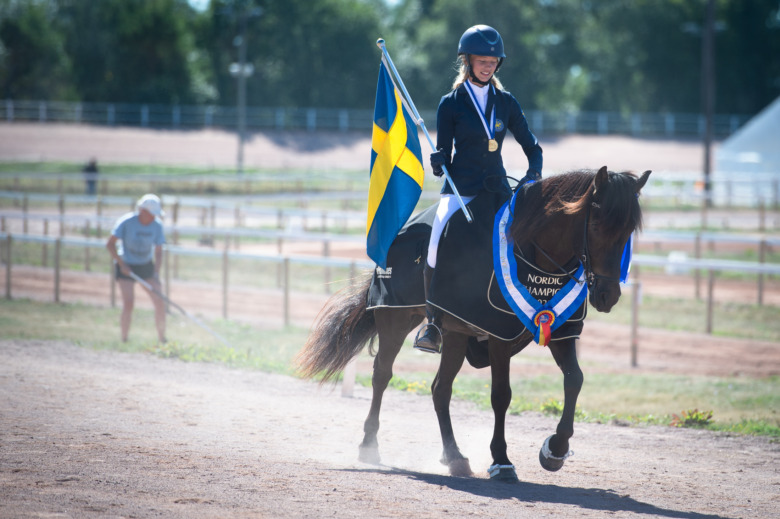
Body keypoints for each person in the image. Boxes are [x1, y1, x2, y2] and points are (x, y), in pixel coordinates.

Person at [413, 24, 544, 354]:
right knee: (435, 240)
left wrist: (533, 174)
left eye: (492, 61)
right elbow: (444, 148)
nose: (487, 66)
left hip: (497, 187)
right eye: (481, 60)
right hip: (461, 188)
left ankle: (513, 311)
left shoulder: (507, 102)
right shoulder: (451, 103)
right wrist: (439, 159)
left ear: (498, 65)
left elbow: (533, 147)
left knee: (522, 240)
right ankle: (432, 322)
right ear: (468, 61)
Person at [106, 194, 167, 343]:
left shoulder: (157, 225)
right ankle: (124, 339)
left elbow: (159, 251)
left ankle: (162, 338)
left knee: (159, 301)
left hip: (146, 266)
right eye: (151, 214)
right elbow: (110, 244)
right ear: (142, 211)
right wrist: (122, 264)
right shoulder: (127, 222)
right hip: (126, 264)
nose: (153, 218)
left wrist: (156, 273)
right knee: (129, 302)